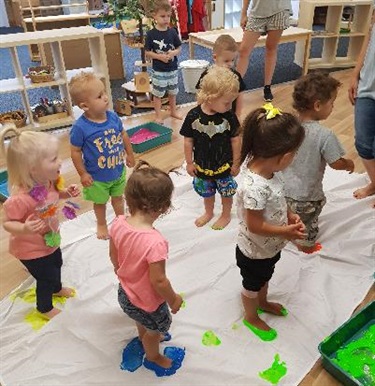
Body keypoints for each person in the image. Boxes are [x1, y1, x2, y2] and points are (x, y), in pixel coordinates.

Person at [236, 104, 306, 341]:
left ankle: (263, 302)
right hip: (254, 252)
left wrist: (289, 214)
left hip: (269, 248)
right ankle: (250, 316)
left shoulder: (270, 173)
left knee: (266, 276)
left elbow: (278, 196)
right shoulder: (254, 187)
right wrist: (285, 231)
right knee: (252, 284)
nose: (294, 158)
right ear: (285, 156)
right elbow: (255, 225)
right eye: (295, 153)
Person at [109, 161, 184, 377]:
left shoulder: (118, 223)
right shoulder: (155, 242)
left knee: (140, 319)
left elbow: (113, 256)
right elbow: (159, 281)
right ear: (162, 207)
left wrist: (121, 270)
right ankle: (153, 355)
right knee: (155, 330)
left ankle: (145, 333)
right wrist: (173, 299)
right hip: (149, 303)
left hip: (125, 294)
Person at [1, 125, 80, 319]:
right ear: (33, 168)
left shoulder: (50, 181)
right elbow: (7, 223)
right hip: (30, 249)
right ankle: (44, 308)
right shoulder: (20, 199)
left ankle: (57, 288)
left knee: (57, 263)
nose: (60, 161)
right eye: (54, 159)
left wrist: (66, 192)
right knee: (46, 276)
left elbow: (55, 195)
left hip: (50, 240)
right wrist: (24, 228)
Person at [283, 71, 355, 254]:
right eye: (332, 103)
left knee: (286, 216)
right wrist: (347, 163)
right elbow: (335, 163)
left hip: (282, 191)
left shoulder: (286, 127)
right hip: (307, 197)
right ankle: (306, 247)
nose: (333, 107)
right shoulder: (325, 135)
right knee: (306, 224)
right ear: (317, 105)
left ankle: (285, 233)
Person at [69, 72, 135, 240]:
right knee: (100, 203)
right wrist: (83, 173)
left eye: (104, 92)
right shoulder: (80, 128)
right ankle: (101, 223)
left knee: (118, 198)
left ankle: (120, 221)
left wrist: (130, 154)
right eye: (99, 96)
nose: (106, 98)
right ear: (85, 106)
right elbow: (75, 151)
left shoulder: (113, 117)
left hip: (117, 170)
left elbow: (123, 135)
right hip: (97, 178)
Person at [180, 65, 241, 230]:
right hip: (202, 164)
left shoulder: (229, 116)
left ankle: (226, 214)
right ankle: (209, 212)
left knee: (226, 192)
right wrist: (189, 162)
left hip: (225, 165)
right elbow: (188, 140)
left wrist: (236, 163)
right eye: (227, 102)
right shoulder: (193, 116)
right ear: (209, 97)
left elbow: (236, 139)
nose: (230, 107)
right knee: (207, 191)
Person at [237, 0, 291, 102]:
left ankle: (267, 87)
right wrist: (243, 13)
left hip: (279, 9)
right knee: (244, 50)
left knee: (271, 47)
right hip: (257, 11)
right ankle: (235, 87)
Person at [348, 11, 375, 208]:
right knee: (364, 144)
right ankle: (374, 183)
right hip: (368, 84)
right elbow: (370, 34)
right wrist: (356, 73)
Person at [145, 0, 182, 124]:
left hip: (172, 69)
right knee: (158, 94)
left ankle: (173, 111)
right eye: (162, 16)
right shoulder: (151, 34)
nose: (166, 19)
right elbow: (147, 52)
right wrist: (159, 57)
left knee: (173, 92)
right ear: (154, 16)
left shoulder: (172, 32)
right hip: (159, 70)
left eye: (168, 16)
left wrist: (172, 53)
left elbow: (179, 48)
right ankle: (158, 115)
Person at [196, 34, 246, 119]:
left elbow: (240, 95)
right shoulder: (207, 75)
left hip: (229, 115)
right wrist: (200, 113)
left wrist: (238, 114)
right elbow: (201, 94)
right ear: (215, 57)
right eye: (226, 61)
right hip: (210, 114)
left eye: (233, 60)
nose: (230, 64)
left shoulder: (235, 76)